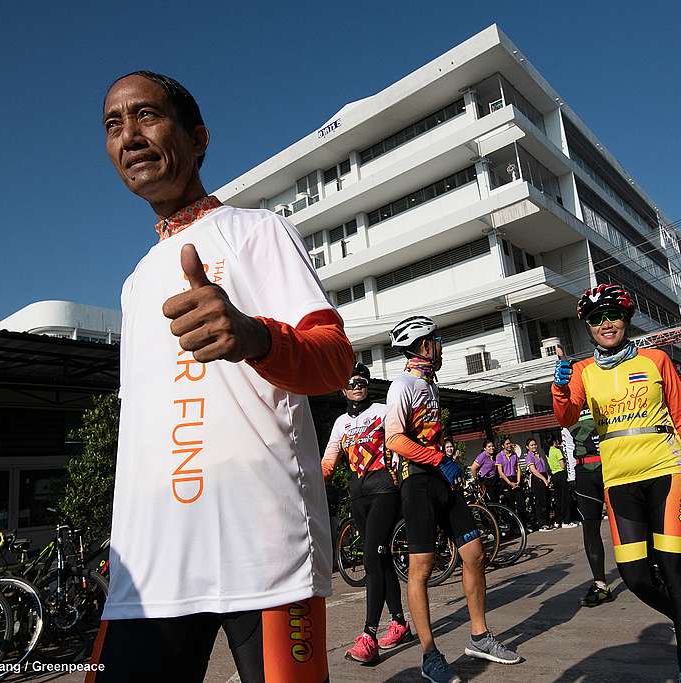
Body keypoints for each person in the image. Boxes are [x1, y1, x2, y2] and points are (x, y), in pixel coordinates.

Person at [92, 71, 353, 682]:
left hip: (263, 554)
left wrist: (256, 336)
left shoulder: (259, 231)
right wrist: (124, 535)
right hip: (152, 569)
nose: (129, 135)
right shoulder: (134, 284)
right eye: (113, 124)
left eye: (147, 116)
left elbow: (334, 358)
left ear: (198, 137)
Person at [553, 283, 681, 683]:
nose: (605, 324)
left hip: (667, 470)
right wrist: (559, 386)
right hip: (619, 480)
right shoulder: (582, 372)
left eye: (612, 315)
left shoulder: (656, 360)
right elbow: (566, 416)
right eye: (596, 319)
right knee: (636, 577)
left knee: (675, 568)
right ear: (588, 328)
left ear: (626, 318)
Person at [384, 315, 520, 682]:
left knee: (474, 554)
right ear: (425, 345)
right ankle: (429, 654)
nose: (441, 346)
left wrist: (447, 464)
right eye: (437, 340)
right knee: (422, 568)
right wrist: (439, 460)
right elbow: (394, 439)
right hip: (419, 483)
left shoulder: (430, 385)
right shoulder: (403, 385)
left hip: (443, 480)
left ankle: (479, 636)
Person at [321, 363, 411, 664]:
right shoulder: (339, 423)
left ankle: (369, 635)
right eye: (351, 381)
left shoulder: (384, 411)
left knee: (372, 557)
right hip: (358, 495)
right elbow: (328, 463)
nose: (357, 385)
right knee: (381, 558)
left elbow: (402, 442)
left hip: (385, 488)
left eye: (361, 380)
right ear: (342, 389)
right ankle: (399, 622)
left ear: (368, 385)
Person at [568, 410, 614, 607]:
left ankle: (648, 571)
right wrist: (571, 479)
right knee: (590, 528)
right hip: (584, 472)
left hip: (613, 465)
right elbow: (567, 441)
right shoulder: (569, 400)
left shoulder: (604, 385)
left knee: (629, 521)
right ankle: (600, 585)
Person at [523, 438, 553, 530]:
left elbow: (544, 467)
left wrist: (548, 477)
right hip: (537, 479)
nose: (534, 446)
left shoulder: (539, 455)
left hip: (544, 477)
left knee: (547, 500)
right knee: (540, 502)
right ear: (528, 447)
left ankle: (547, 521)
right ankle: (542, 523)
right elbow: (533, 470)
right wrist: (543, 479)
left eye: (535, 444)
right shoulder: (529, 456)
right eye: (531, 445)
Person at [547, 437, 575, 529]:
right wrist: (565, 462)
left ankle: (558, 520)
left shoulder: (548, 452)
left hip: (554, 475)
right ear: (554, 442)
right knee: (565, 498)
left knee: (558, 499)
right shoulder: (557, 451)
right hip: (561, 475)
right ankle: (566, 521)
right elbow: (562, 465)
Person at [495, 437, 527, 520]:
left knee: (521, 503)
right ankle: (513, 526)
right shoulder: (499, 456)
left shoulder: (514, 454)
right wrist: (509, 483)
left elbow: (518, 467)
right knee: (510, 504)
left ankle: (523, 523)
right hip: (506, 480)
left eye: (510, 443)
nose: (509, 445)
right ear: (503, 446)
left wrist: (518, 480)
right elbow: (500, 472)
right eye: (507, 444)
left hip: (515, 478)